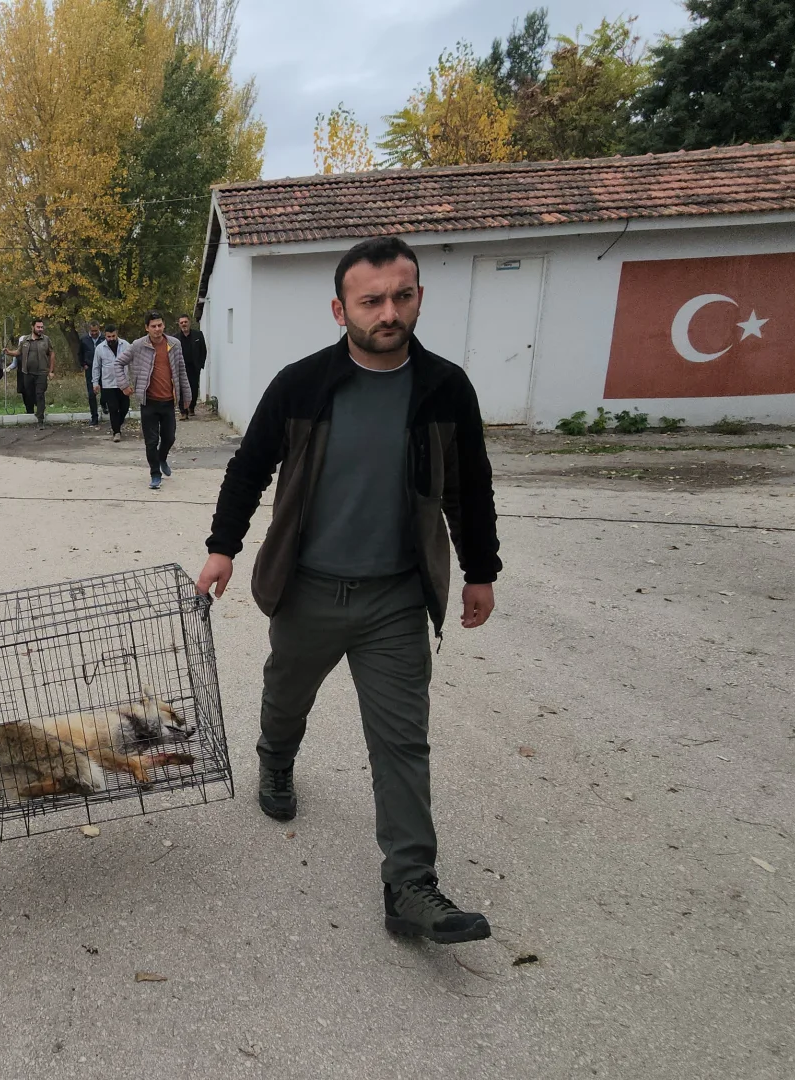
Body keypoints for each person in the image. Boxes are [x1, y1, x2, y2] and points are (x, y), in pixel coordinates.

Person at [195, 235, 501, 946]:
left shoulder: (445, 388)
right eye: (372, 301)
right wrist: (222, 548)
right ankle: (276, 760)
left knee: (402, 742)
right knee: (286, 697)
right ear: (341, 309)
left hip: (395, 597)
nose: (389, 312)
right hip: (307, 589)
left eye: (402, 295)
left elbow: (470, 484)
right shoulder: (302, 384)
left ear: (418, 297)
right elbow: (249, 469)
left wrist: (480, 570)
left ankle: (410, 885)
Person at [117, 312, 190, 489]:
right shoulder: (138, 345)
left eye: (160, 325)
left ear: (164, 325)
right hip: (148, 401)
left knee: (169, 437)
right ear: (147, 328)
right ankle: (155, 474)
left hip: (168, 401)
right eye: (153, 326)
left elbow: (181, 370)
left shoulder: (174, 344)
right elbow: (118, 363)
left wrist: (187, 395)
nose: (157, 329)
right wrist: (124, 384)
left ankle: (162, 457)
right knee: (151, 441)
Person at [93, 323, 130, 441]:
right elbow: (96, 367)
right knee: (113, 408)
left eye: (113, 336)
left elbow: (133, 363)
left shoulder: (126, 345)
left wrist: (134, 382)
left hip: (123, 383)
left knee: (124, 407)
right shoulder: (100, 348)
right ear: (105, 336)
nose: (111, 339)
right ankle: (116, 432)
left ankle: (117, 425)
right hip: (108, 384)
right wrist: (95, 383)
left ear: (117, 334)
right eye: (109, 337)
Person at [16, 319, 55, 422]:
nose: (40, 329)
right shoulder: (25, 340)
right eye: (38, 327)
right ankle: (39, 408)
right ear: (32, 327)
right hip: (27, 373)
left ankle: (40, 418)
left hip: (41, 372)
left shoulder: (46, 340)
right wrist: (8, 352)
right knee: (29, 393)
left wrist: (51, 371)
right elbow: (18, 352)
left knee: (40, 393)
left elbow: (51, 354)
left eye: (42, 327)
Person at [176, 313, 207, 419]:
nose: (184, 324)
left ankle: (191, 407)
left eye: (185, 322)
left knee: (193, 388)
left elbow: (204, 350)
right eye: (181, 322)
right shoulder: (175, 339)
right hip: (180, 368)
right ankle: (183, 412)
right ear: (179, 325)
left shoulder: (198, 335)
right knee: (181, 389)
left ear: (189, 322)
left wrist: (200, 365)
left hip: (194, 367)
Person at [78, 321, 102, 425]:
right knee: (91, 394)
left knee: (105, 391)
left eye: (95, 331)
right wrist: (83, 364)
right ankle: (94, 417)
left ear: (99, 329)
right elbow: (80, 353)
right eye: (92, 331)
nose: (94, 333)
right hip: (90, 368)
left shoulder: (104, 339)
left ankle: (104, 404)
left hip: (103, 369)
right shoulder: (84, 339)